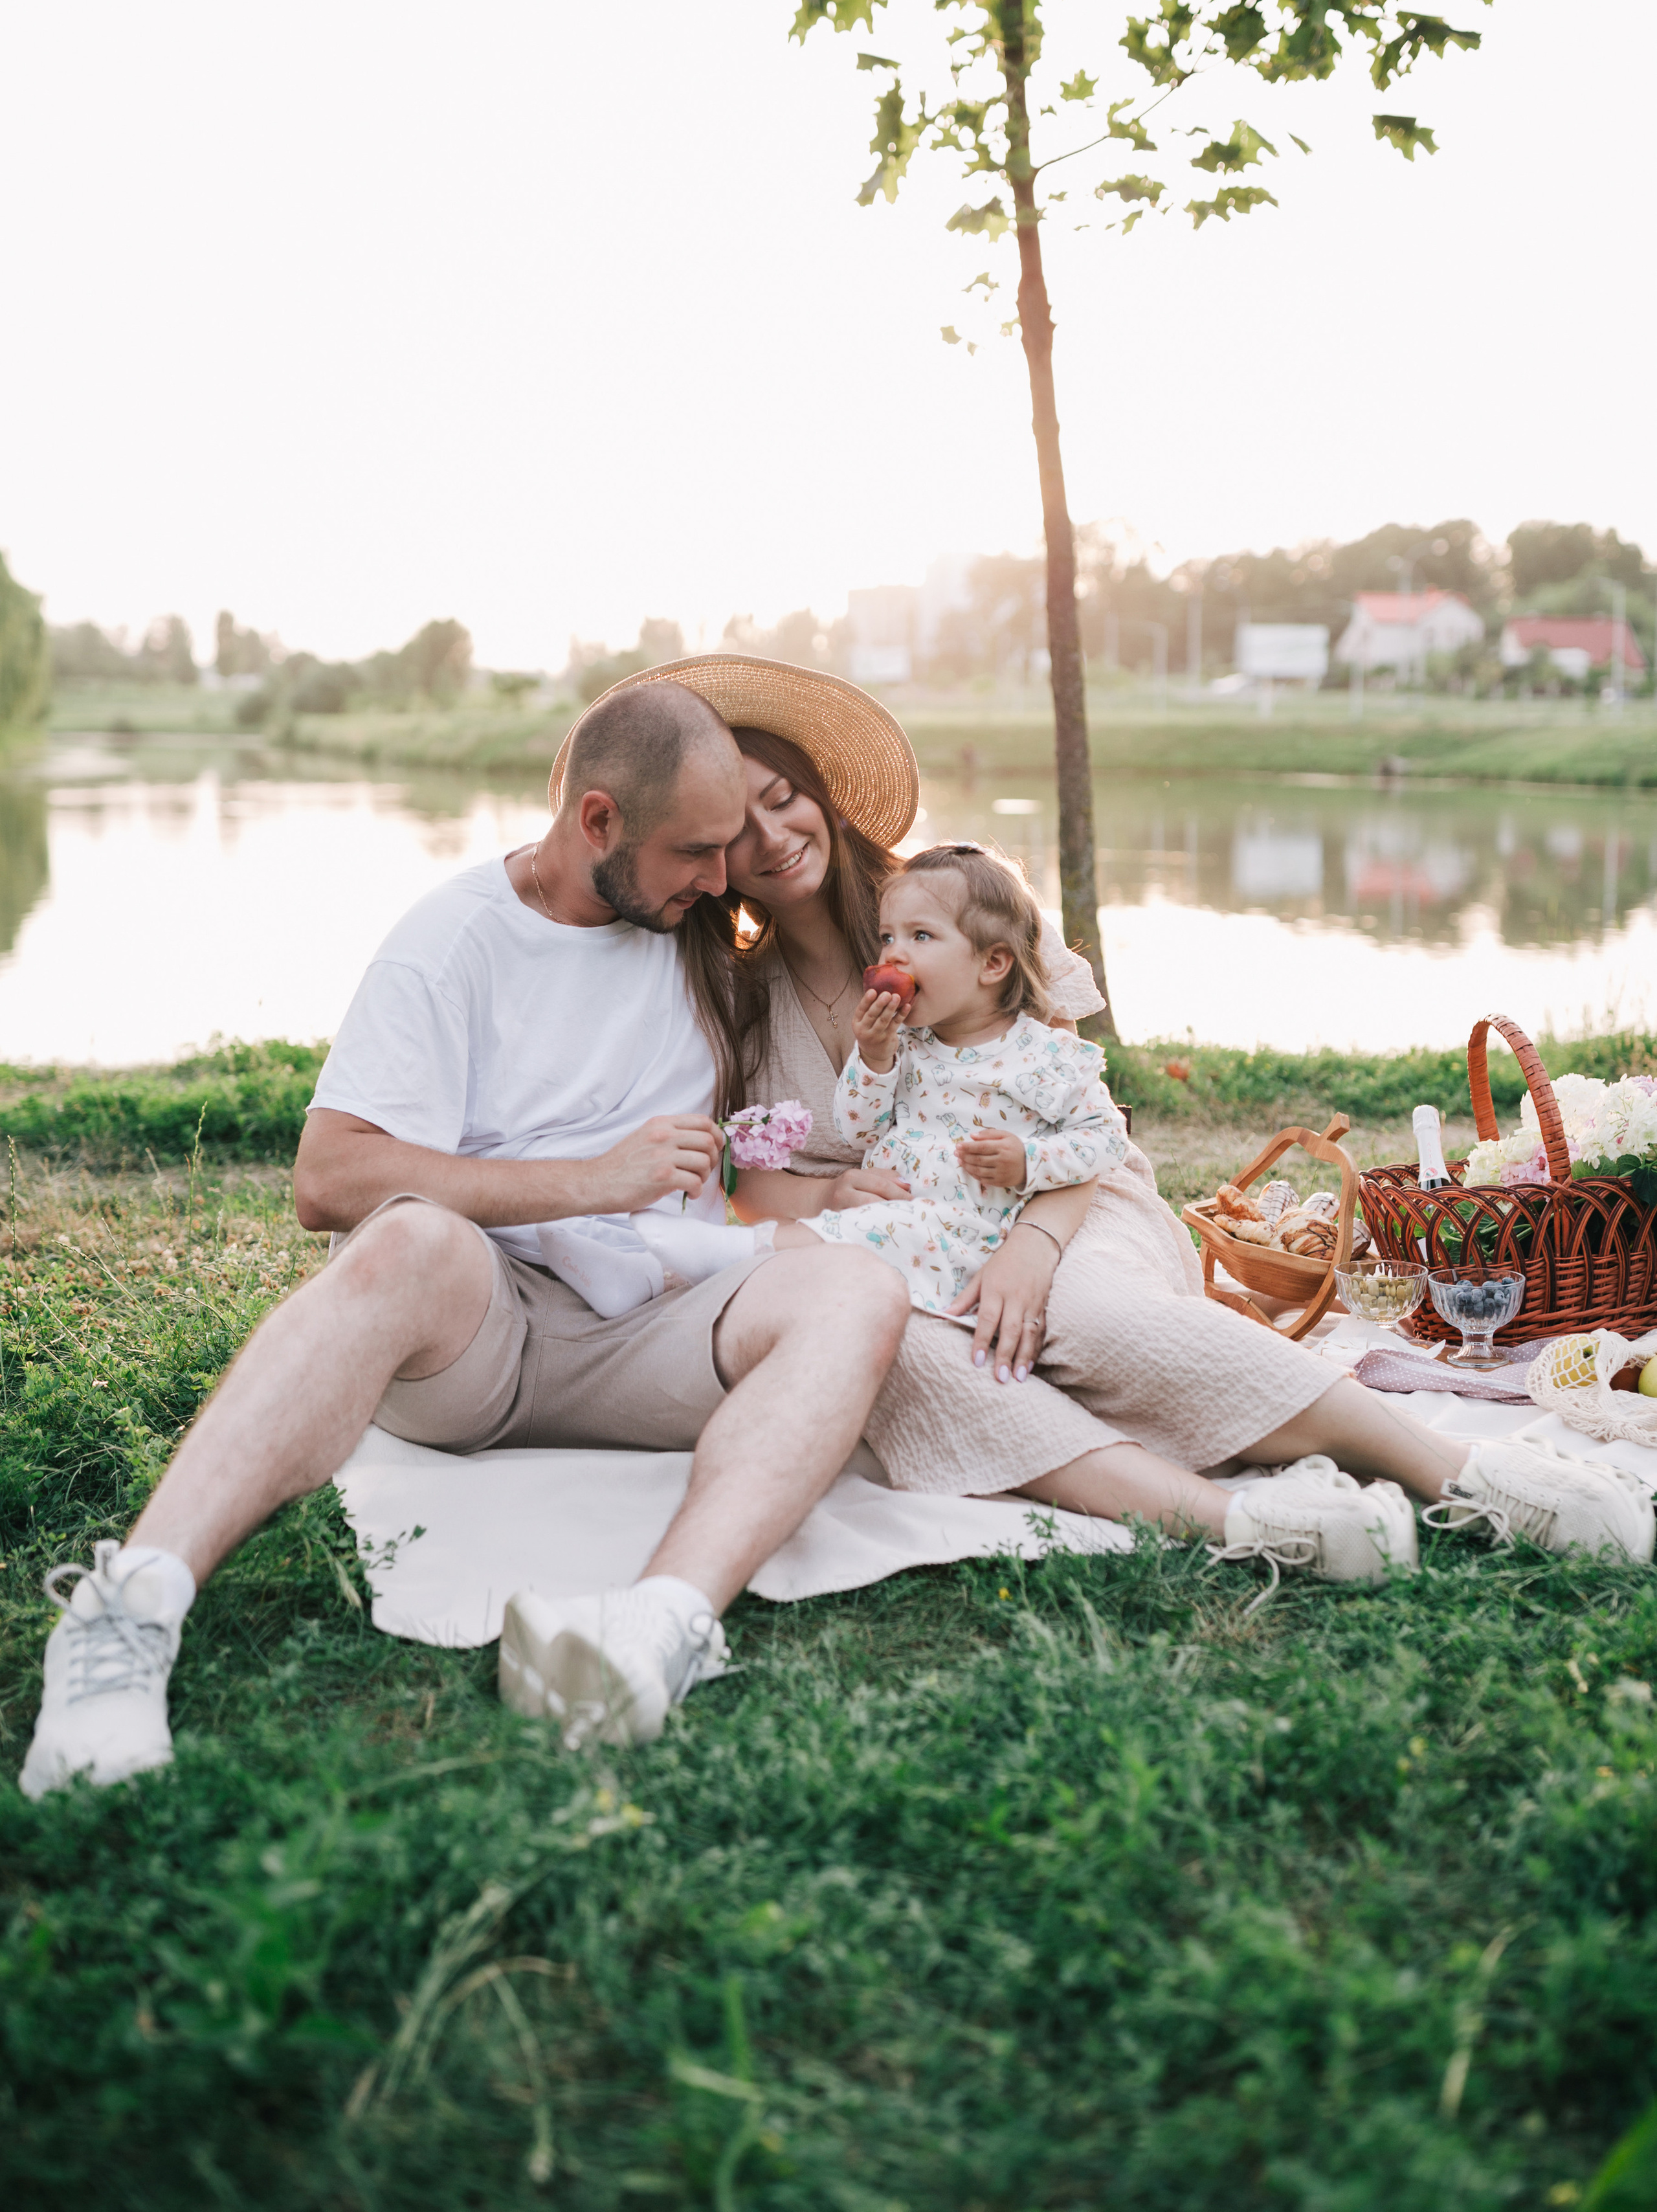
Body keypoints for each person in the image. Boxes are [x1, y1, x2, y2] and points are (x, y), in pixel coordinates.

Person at [19, 677, 911, 1798]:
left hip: (656, 1327)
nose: (719, 877)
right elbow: (329, 1176)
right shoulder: (452, 943)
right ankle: (128, 1612)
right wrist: (586, 1181)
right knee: (405, 1243)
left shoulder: (697, 935)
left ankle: (659, 1627)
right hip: (479, 1338)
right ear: (598, 822)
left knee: (857, 1293)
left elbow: (879, 957)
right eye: (694, 850)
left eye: (727, 847)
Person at [632, 652, 1654, 1580]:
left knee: (1083, 1317)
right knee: (913, 1349)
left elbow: (1085, 1107)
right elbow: (740, 1177)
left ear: (820, 794)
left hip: (1070, 1194)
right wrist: (827, 1185)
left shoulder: (950, 902)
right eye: (736, 825)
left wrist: (1035, 1239)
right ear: (710, 851)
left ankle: (1457, 1472)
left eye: (783, 799)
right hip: (905, 1240)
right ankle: (1235, 1524)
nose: (771, 836)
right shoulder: (730, 988)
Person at [785, 844, 1126, 1306]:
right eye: (888, 937)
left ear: (992, 963)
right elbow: (858, 1132)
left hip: (969, 1236)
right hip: (895, 1223)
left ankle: (739, 1257)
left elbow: (1107, 1139)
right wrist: (873, 1058)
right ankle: (748, 1267)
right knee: (836, 1261)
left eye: (920, 936)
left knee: (836, 1246)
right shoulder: (902, 1045)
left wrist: (1030, 1159)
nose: (894, 956)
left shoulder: (1046, 1053)